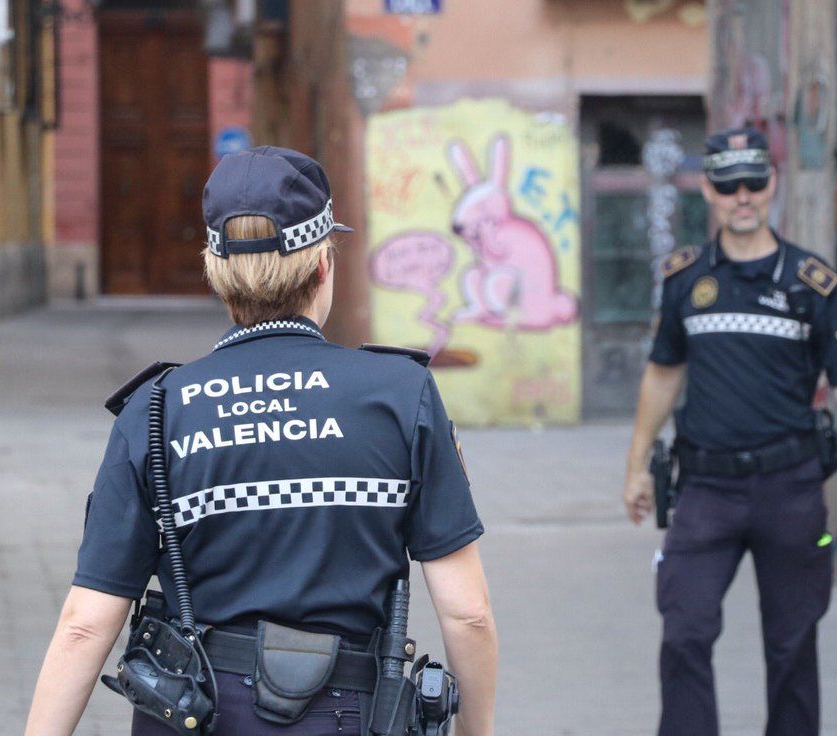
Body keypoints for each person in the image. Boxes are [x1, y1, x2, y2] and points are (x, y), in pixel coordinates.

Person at [26, 146, 498, 736]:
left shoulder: (156, 410)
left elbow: (83, 626)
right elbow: (469, 613)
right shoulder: (401, 394)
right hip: (350, 715)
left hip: (194, 712)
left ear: (217, 272)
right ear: (324, 265)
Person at [622, 126, 837, 736]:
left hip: (789, 489)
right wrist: (636, 465)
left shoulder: (812, 282)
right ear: (709, 192)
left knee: (792, 645)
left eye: (754, 182)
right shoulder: (686, 279)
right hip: (704, 491)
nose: (743, 195)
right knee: (684, 632)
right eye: (728, 184)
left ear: (772, 185)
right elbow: (662, 375)